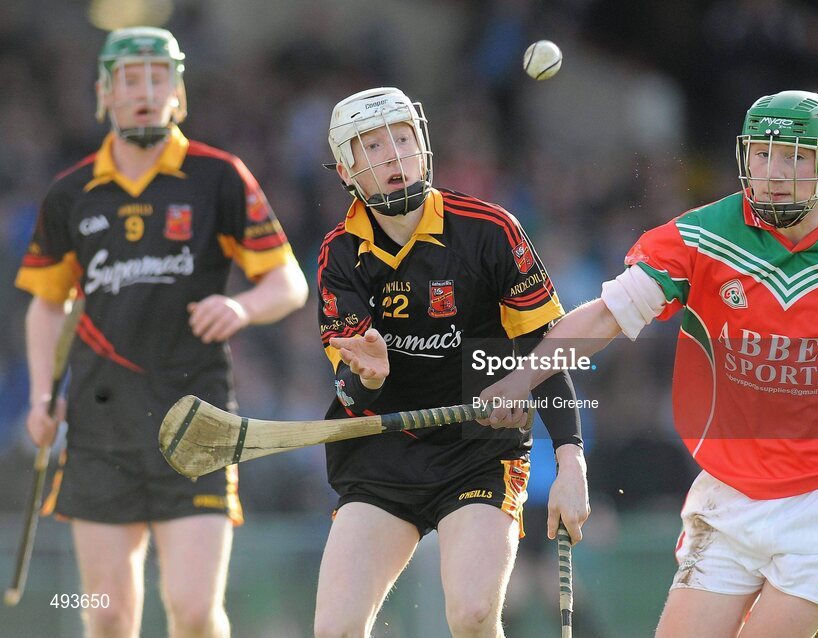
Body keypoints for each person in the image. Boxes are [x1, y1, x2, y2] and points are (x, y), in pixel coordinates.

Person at [481, 90, 818, 637]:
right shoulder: (703, 237)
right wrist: (521, 377)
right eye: (763, 154)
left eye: (795, 156)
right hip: (730, 490)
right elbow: (606, 316)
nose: (775, 172)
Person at [15, 27, 308, 638]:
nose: (145, 91)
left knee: (195, 610)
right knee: (108, 617)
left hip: (194, 423)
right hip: (100, 429)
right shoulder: (71, 194)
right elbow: (46, 306)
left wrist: (243, 308)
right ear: (104, 93)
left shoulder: (219, 177)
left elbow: (288, 282)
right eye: (130, 79)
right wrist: (43, 395)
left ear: (177, 91)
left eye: (157, 78)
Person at [313, 87, 589, 638]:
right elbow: (349, 397)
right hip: (382, 449)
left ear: (423, 146)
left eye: (402, 138)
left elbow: (548, 347)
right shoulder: (340, 255)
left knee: (473, 614)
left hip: (479, 449)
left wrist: (571, 459)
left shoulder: (490, 230)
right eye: (371, 146)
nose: (392, 155)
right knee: (335, 630)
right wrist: (366, 378)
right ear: (347, 171)